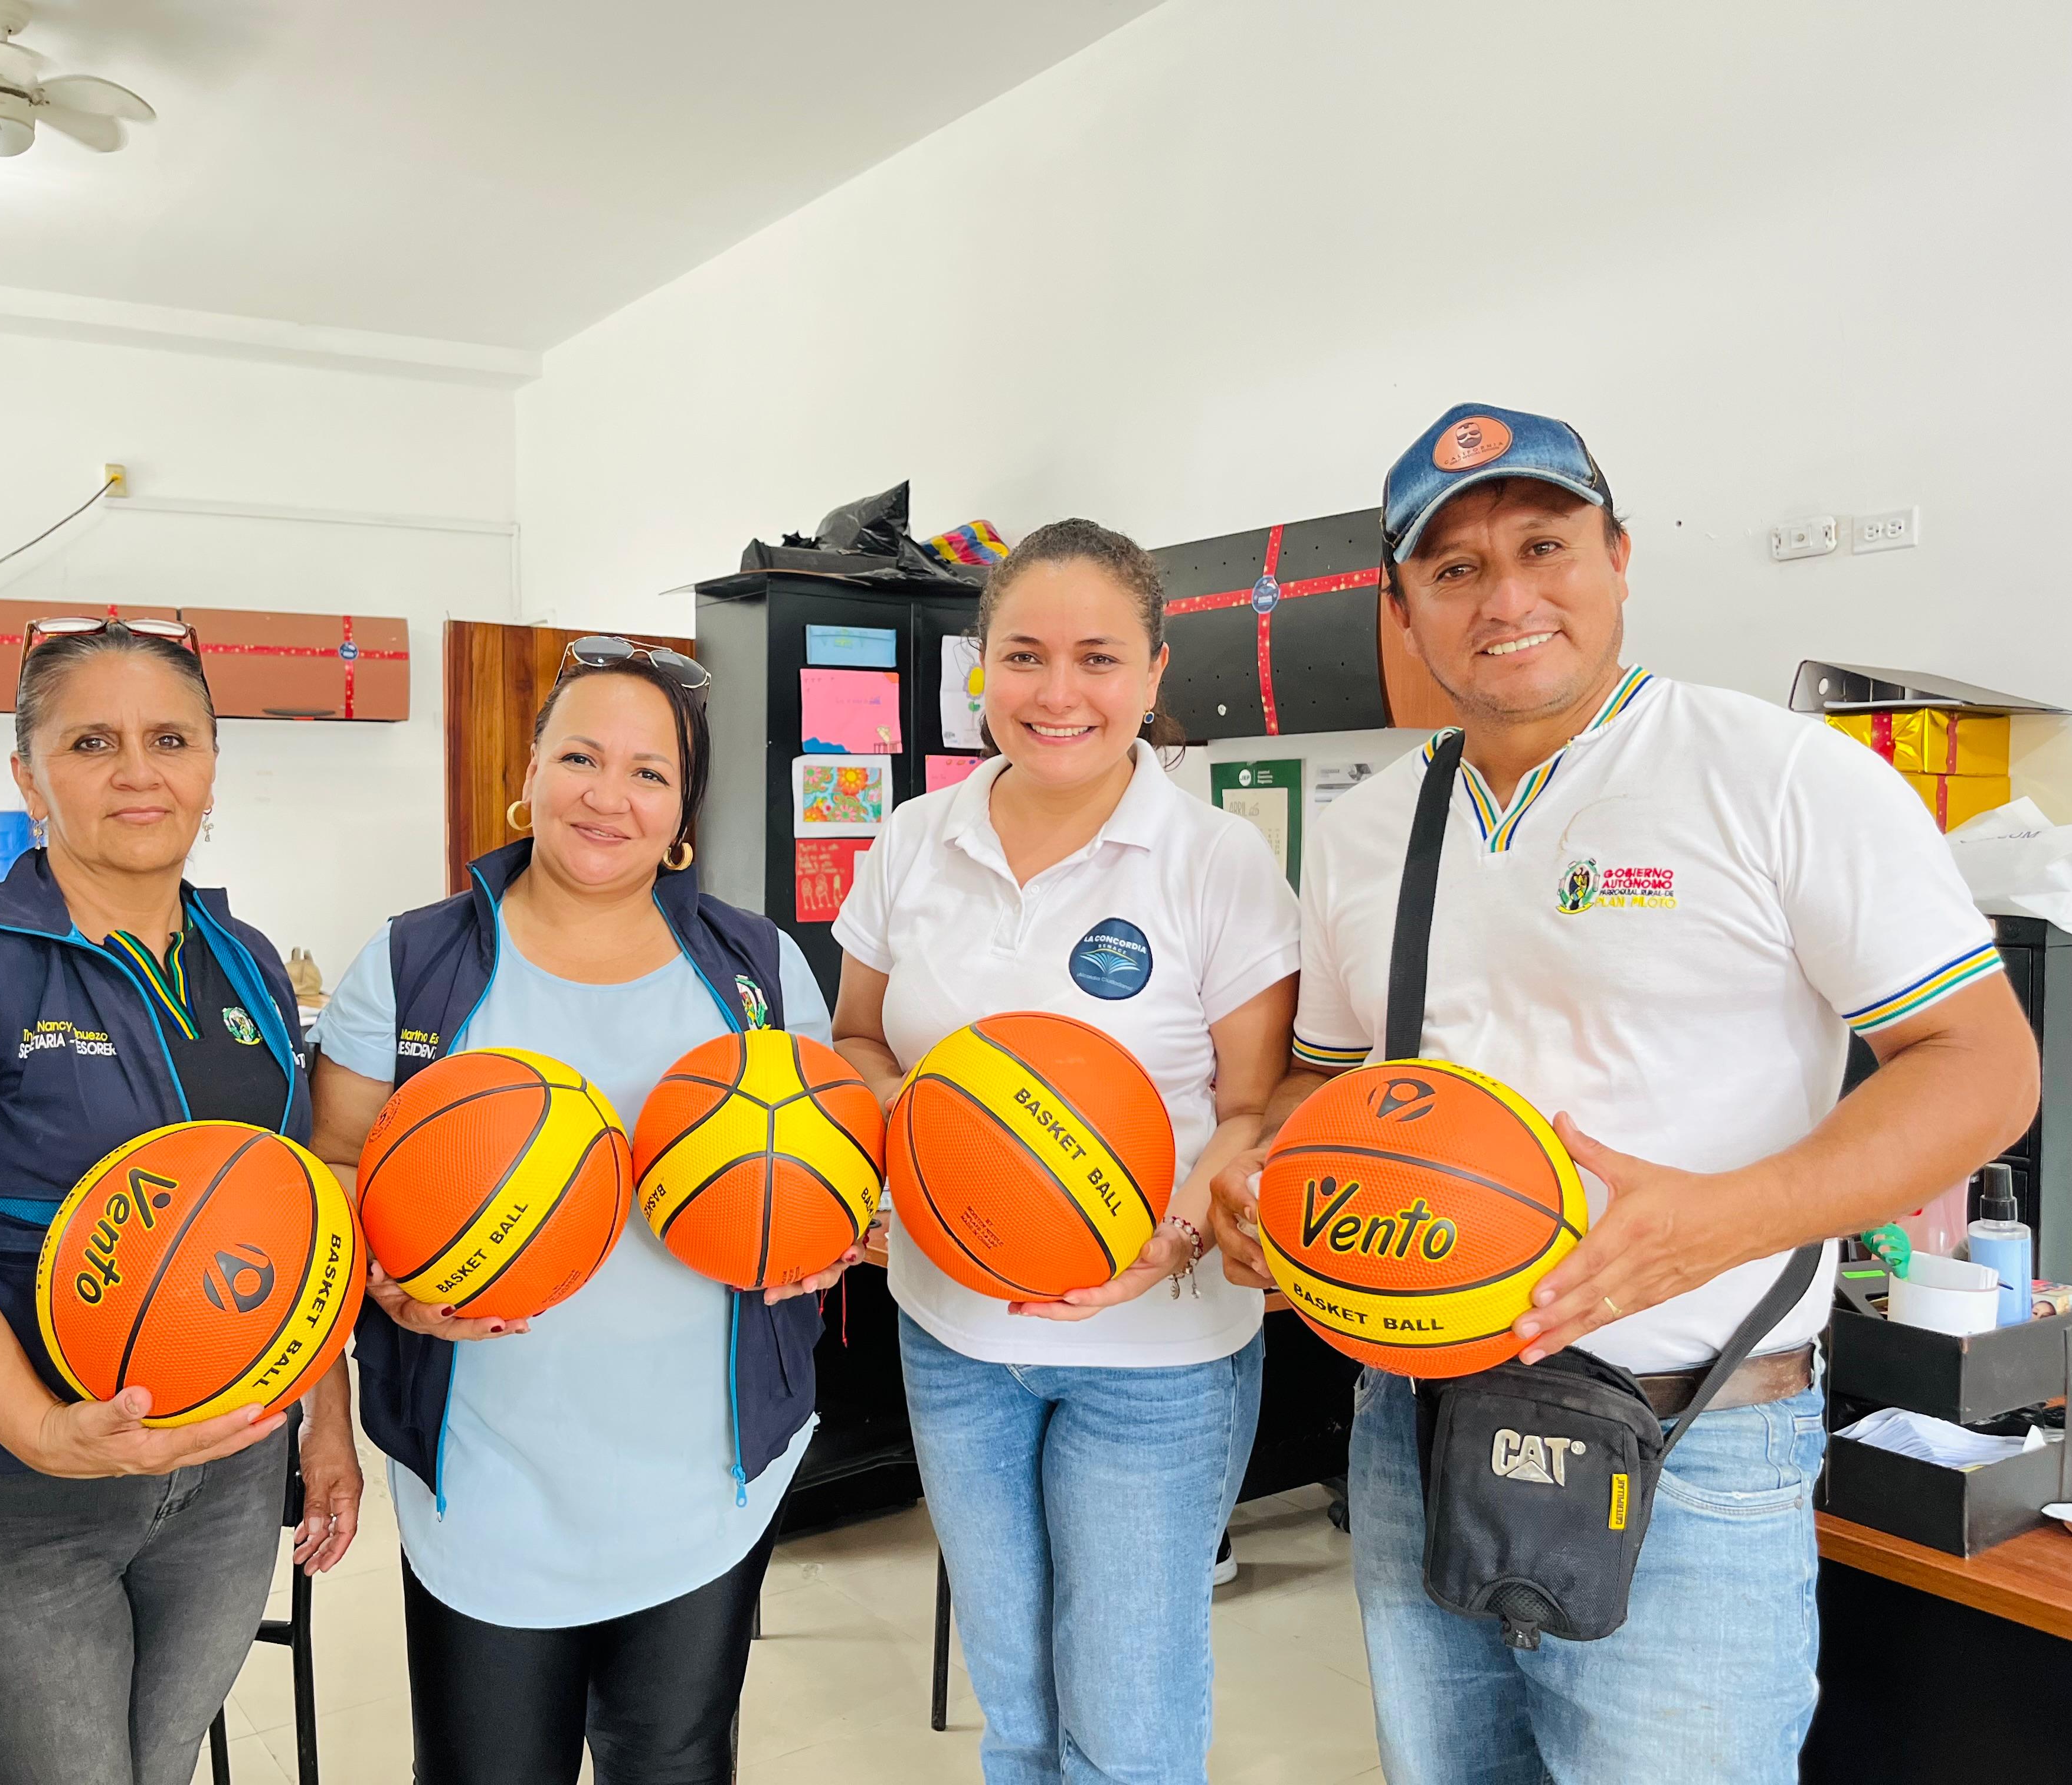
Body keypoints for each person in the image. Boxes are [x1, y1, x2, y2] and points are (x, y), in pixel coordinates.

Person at [1207, 403, 2041, 1783]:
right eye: (1456, 569)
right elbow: (1330, 1087)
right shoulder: (1364, 833)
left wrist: (1723, 1219)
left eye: (1545, 546)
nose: (1508, 598)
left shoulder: (1783, 777)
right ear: (1404, 612)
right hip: (1415, 1426)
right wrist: (1269, 1179)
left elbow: (1985, 1066)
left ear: (1620, 558)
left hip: (1695, 1433)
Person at [0, 617, 362, 1785]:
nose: (137, 772)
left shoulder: (249, 963)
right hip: (6, 1495)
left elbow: (296, 1221)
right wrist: (45, 1431)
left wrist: (327, 1416)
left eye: (170, 738)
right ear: (28, 775)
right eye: (90, 742)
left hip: (222, 1488)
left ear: (210, 765)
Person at [311, 639, 859, 1785]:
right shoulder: (413, 965)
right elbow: (333, 1175)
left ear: (683, 813)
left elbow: (831, 1170)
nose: (610, 795)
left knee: (676, 1762)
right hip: (487, 1480)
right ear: (530, 773)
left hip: (703, 1476)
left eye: (650, 773)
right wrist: (385, 1289)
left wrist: (831, 1238)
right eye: (581, 757)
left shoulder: (759, 968)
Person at [829, 520, 1300, 1785]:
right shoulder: (911, 839)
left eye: (1098, 658)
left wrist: (1176, 1237)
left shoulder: (1217, 859)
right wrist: (935, 1129)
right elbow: (857, 1040)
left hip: (1158, 1359)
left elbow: (1256, 1110)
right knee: (1020, 1712)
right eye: (1024, 656)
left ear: (1154, 673)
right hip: (952, 1332)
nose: (1057, 693)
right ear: (980, 668)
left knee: (1125, 1731)